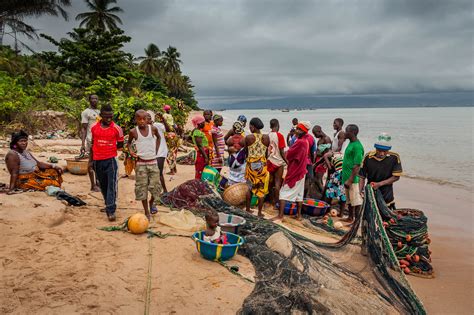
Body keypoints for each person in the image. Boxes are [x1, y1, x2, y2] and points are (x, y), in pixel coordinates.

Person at [89, 104, 124, 221]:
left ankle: (111, 210)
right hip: (97, 161)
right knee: (102, 185)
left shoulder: (117, 129)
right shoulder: (94, 128)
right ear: (101, 116)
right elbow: (92, 145)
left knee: (111, 185)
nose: (109, 119)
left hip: (111, 161)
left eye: (111, 117)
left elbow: (120, 145)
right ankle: (108, 204)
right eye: (106, 116)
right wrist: (90, 161)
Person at [127, 110, 162, 220]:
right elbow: (128, 143)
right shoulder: (133, 131)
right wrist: (131, 151)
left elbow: (159, 138)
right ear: (136, 120)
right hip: (141, 163)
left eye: (144, 119)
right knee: (142, 188)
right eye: (139, 119)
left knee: (156, 187)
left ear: (148, 119)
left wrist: (156, 150)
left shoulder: (153, 129)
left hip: (153, 162)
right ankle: (147, 211)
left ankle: (152, 203)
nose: (142, 121)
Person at [273, 123, 309, 221]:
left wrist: (284, 154)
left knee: (283, 192)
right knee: (299, 195)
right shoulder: (306, 141)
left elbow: (289, 154)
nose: (296, 131)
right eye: (296, 128)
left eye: (299, 129)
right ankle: (299, 215)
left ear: (304, 131)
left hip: (296, 171)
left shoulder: (300, 142)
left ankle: (280, 215)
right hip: (302, 171)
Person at [359, 133, 402, 209]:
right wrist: (360, 191)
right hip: (370, 192)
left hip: (387, 194)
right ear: (375, 148)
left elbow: (396, 177)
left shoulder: (394, 157)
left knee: (386, 217)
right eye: (379, 151)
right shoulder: (368, 157)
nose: (382, 154)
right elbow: (362, 177)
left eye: (385, 151)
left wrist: (379, 184)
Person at [244, 117, 270, 217]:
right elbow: (266, 153)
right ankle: (259, 212)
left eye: (250, 126)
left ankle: (247, 209)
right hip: (262, 166)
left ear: (253, 127)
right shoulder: (266, 137)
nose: (250, 128)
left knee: (249, 188)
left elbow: (246, 152)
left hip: (251, 166)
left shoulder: (249, 138)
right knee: (261, 190)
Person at [342, 124, 364, 223]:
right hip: (346, 177)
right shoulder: (350, 143)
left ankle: (357, 220)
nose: (344, 132)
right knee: (349, 200)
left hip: (353, 179)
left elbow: (357, 165)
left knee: (356, 201)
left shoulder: (357, 146)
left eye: (346, 131)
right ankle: (350, 217)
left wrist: (350, 180)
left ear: (352, 133)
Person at [80, 94, 101, 191]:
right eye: (92, 98)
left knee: (99, 162)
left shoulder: (99, 112)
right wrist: (82, 144)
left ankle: (98, 182)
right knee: (91, 162)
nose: (95, 100)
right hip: (90, 140)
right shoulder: (86, 112)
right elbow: (84, 129)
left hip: (99, 140)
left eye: (96, 98)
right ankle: (93, 185)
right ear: (89, 100)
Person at [267, 119, 287, 209]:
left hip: (270, 161)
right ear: (278, 125)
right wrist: (287, 161)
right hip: (278, 161)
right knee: (277, 183)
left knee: (270, 182)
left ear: (270, 126)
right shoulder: (280, 136)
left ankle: (270, 201)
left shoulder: (267, 136)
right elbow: (282, 152)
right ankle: (276, 204)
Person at [149, 111, 169, 193]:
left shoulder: (158, 125)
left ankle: (164, 190)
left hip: (161, 151)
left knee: (159, 172)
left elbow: (167, 129)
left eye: (149, 118)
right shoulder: (144, 128)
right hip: (151, 152)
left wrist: (163, 119)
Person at [312, 125, 333, 198]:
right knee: (317, 179)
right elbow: (317, 151)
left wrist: (318, 163)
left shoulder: (326, 139)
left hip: (322, 161)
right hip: (317, 161)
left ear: (319, 131)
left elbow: (327, 154)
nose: (314, 135)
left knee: (318, 179)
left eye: (315, 134)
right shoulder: (321, 139)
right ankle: (321, 195)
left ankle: (325, 196)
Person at [324, 150, 346, 217]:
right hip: (345, 173)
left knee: (329, 191)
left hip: (338, 173)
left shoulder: (329, 154)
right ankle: (341, 213)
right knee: (343, 193)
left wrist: (329, 167)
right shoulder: (341, 154)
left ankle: (327, 211)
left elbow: (325, 156)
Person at [226, 121, 247, 185]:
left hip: (232, 163)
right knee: (241, 180)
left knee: (232, 177)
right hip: (241, 163)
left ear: (234, 129)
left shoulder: (230, 140)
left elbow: (229, 152)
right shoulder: (244, 140)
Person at [299, 121, 315, 196]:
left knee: (299, 181)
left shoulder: (296, 137)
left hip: (299, 162)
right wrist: (312, 161)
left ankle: (299, 196)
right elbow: (312, 152)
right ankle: (304, 197)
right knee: (307, 180)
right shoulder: (311, 138)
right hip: (308, 162)